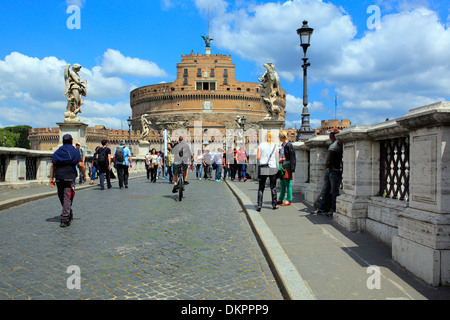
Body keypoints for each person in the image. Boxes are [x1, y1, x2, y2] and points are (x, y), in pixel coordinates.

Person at [49, 134, 86, 227]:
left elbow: (53, 165)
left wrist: (51, 178)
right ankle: (65, 218)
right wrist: (84, 175)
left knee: (62, 196)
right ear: (72, 141)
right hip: (70, 176)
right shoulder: (75, 151)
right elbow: (81, 165)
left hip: (59, 176)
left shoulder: (57, 152)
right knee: (67, 197)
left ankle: (67, 212)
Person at [314, 128, 343, 217]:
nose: (329, 136)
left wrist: (338, 132)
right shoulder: (332, 144)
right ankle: (322, 208)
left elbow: (341, 140)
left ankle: (333, 209)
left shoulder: (338, 143)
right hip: (329, 170)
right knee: (326, 191)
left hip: (335, 170)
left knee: (334, 191)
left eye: (331, 134)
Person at [256, 131, 279, 211]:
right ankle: (274, 204)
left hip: (264, 166)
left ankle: (259, 205)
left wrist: (263, 157)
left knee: (261, 187)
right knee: (273, 187)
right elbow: (277, 158)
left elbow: (258, 157)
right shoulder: (275, 146)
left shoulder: (261, 145)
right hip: (272, 167)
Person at [278, 130, 296, 206]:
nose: (278, 137)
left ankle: (289, 200)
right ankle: (281, 198)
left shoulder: (289, 145)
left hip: (287, 165)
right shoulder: (283, 145)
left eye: (279, 136)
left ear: (282, 137)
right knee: (282, 183)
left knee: (288, 183)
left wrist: (282, 159)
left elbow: (291, 157)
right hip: (283, 166)